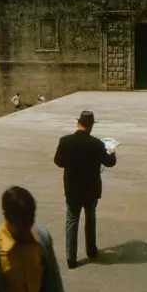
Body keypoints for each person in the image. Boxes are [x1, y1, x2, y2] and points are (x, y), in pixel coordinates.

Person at [53, 110, 117, 268]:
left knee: (72, 220)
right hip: (91, 189)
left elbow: (58, 161)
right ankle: (91, 250)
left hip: (72, 189)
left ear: (78, 123)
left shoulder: (65, 141)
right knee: (90, 218)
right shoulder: (97, 144)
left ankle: (71, 258)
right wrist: (113, 152)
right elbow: (109, 162)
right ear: (91, 126)